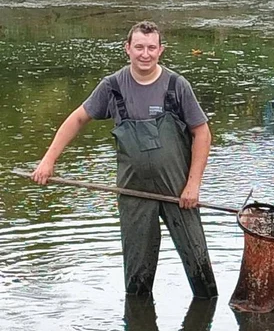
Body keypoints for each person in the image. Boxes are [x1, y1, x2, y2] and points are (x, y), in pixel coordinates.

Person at [32, 20, 217, 299]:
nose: (145, 54)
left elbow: (202, 133)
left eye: (151, 48)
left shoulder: (177, 86)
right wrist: (48, 160)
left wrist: (193, 186)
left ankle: (203, 328)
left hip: (179, 192)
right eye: (139, 47)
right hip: (134, 193)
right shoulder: (113, 86)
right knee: (137, 283)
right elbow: (78, 118)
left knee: (201, 276)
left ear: (161, 50)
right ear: (127, 49)